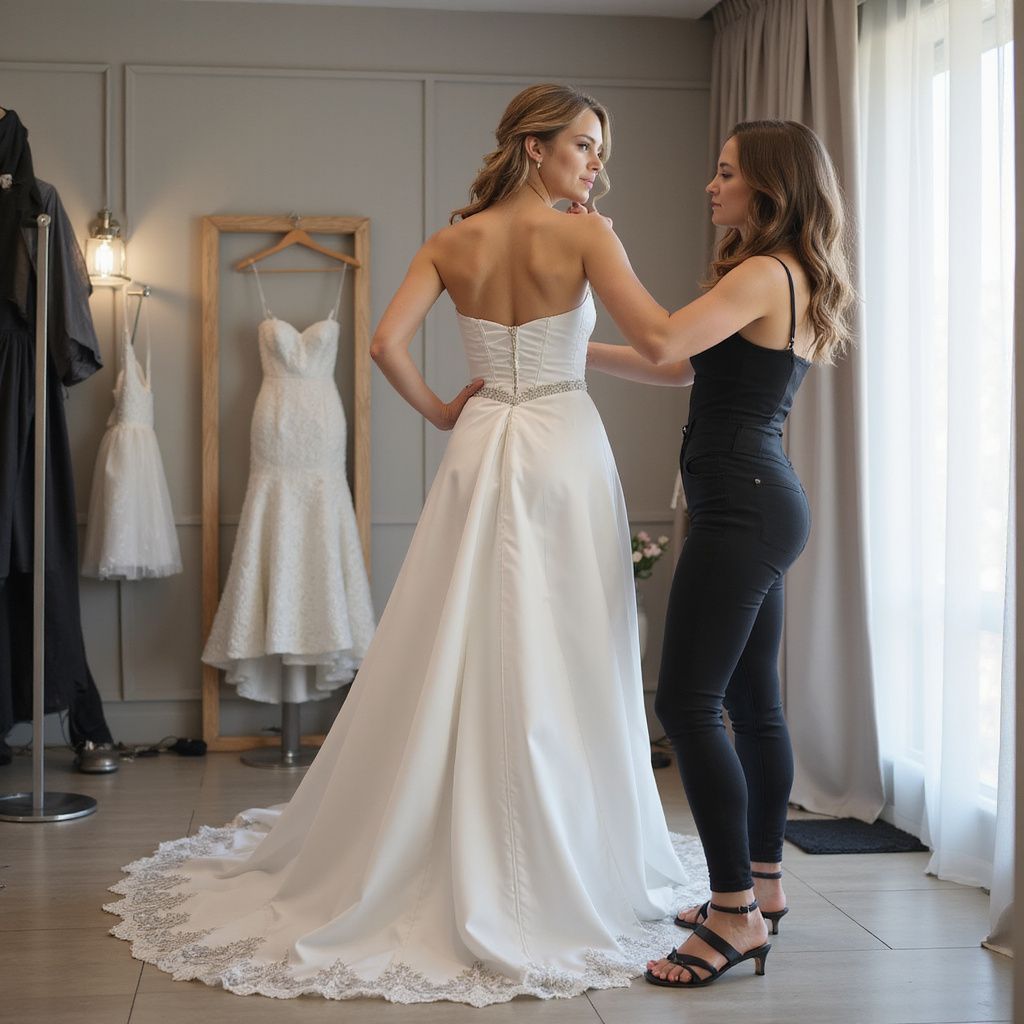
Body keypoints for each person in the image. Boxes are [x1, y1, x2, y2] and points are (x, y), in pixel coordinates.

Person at [105, 83, 707, 1007]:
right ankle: (564, 848)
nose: (596, 165)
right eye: (585, 145)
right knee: (568, 645)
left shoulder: (450, 239)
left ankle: (439, 827)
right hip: (560, 448)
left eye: (599, 150)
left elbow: (386, 343)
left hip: (479, 447)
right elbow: (665, 348)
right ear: (535, 147)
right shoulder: (589, 235)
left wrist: (440, 410)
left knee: (458, 638)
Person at [582, 120, 854, 988]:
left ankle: (733, 913)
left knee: (689, 705)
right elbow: (680, 368)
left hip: (741, 507)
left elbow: (665, 340)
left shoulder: (763, 272)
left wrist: (599, 249)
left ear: (768, 188)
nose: (711, 184)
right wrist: (571, 354)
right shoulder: (788, 274)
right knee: (752, 707)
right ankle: (763, 890)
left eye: (728, 172)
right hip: (762, 503)